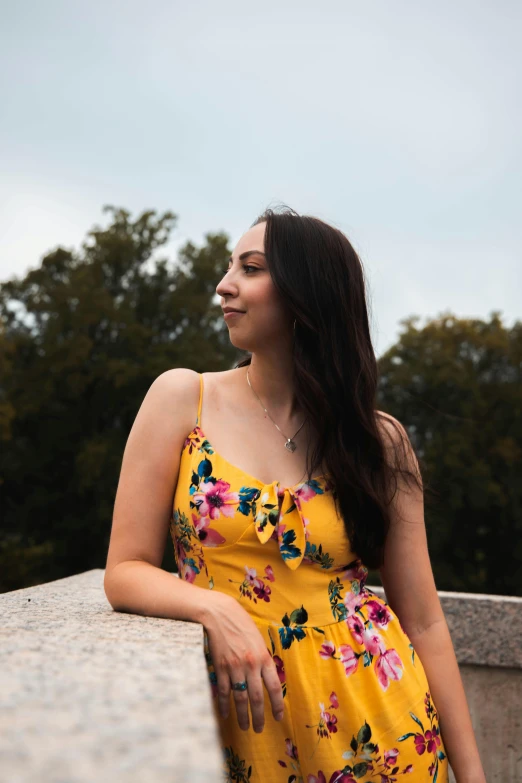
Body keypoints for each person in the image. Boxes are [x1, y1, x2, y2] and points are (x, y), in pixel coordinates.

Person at [104, 207, 486, 783]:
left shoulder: (376, 441)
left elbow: (425, 623)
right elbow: (124, 570)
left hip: (384, 733)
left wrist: (473, 777)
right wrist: (216, 608)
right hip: (251, 735)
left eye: (250, 268)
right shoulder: (184, 398)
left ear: (307, 297)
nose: (224, 284)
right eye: (230, 266)